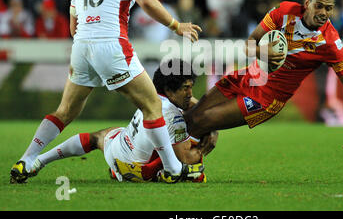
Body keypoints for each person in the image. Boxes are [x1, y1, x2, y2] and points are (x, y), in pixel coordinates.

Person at [10, 0, 202, 184]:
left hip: (81, 47)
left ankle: (26, 159)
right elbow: (145, 2)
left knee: (65, 110)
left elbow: (72, 27)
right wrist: (177, 26)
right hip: (111, 45)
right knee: (153, 106)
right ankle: (173, 169)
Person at [185, 0, 343, 157]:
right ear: (307, 3)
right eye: (319, 6)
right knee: (192, 116)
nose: (324, 13)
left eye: (329, 8)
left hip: (267, 99)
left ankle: (182, 165)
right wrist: (262, 52)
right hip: (247, 76)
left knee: (205, 119)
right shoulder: (284, 11)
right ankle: (176, 160)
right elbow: (249, 45)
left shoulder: (330, 44)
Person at [27, 60, 209, 183]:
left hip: (116, 152)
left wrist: (196, 105)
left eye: (191, 88)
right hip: (136, 172)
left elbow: (186, 103)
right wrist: (203, 148)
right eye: (186, 88)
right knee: (190, 156)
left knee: (98, 137)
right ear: (169, 90)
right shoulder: (174, 117)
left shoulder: (150, 98)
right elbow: (185, 158)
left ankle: (39, 161)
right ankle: (153, 172)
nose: (190, 94)